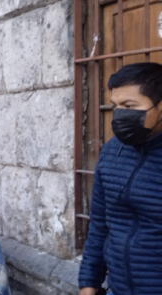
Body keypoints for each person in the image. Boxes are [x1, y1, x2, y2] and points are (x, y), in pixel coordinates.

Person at [78, 63, 162, 295]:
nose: (120, 114)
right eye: (115, 106)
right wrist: (88, 282)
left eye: (129, 106)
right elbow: (100, 223)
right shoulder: (113, 151)